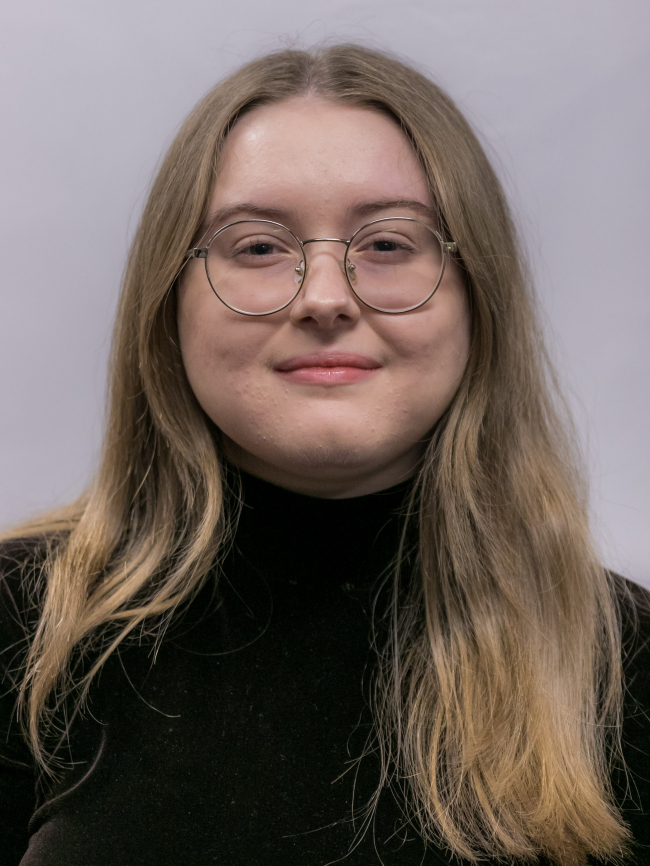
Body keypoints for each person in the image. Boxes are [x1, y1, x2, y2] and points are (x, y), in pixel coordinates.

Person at [0, 44, 648, 866]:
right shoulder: (21, 629)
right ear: (168, 303)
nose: (325, 299)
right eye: (259, 247)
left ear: (478, 296)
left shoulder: (627, 662)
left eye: (388, 244)